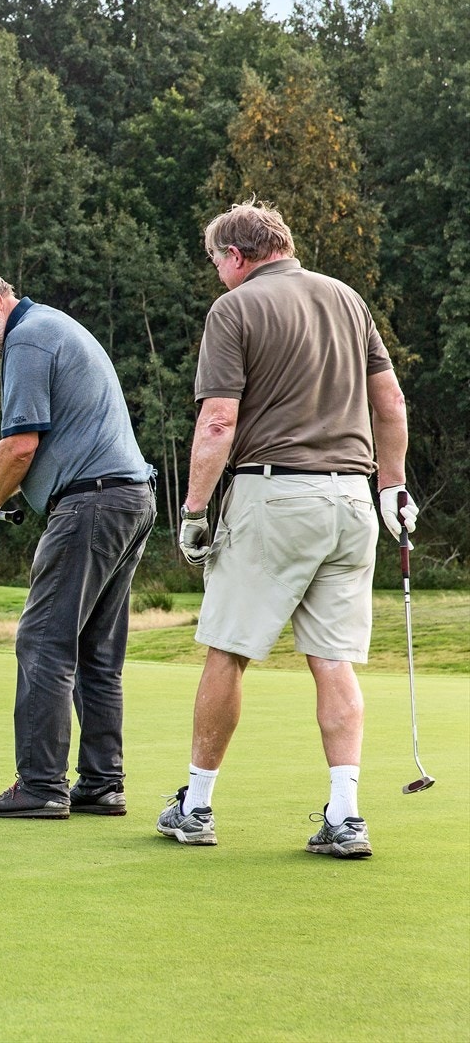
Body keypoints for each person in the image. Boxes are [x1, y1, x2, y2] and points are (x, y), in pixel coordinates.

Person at [157, 201, 414, 858]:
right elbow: (389, 401)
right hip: (352, 501)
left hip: (274, 496)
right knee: (332, 659)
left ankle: (196, 805)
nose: (217, 274)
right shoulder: (348, 300)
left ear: (236, 255)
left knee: (228, 648)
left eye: (216, 261)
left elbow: (218, 421)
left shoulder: (235, 308)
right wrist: (393, 485)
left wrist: (194, 511)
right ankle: (346, 816)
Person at [0, 268, 157, 820]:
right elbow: (52, 447)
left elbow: (20, 445)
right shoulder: (52, 327)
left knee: (43, 642)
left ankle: (40, 785)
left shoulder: (27, 339)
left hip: (92, 505)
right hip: (127, 499)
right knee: (95, 653)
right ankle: (101, 784)